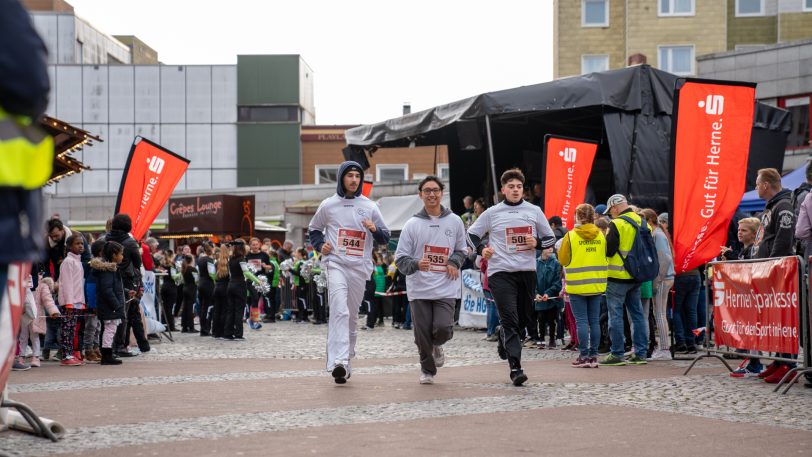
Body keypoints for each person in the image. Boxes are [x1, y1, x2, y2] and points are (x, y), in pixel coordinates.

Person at [467, 168, 556, 385]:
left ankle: (502, 335)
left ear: (522, 190)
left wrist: (536, 243)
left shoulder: (534, 210)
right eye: (511, 187)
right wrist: (481, 250)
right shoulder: (492, 212)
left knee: (525, 319)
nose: (515, 190)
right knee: (510, 319)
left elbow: (550, 238)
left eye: (518, 187)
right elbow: (470, 234)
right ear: (503, 189)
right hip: (500, 272)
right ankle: (516, 368)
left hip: (526, 272)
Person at [308, 160, 391, 384]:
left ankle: (347, 357)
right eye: (350, 175)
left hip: (359, 267)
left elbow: (385, 235)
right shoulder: (328, 205)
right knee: (339, 311)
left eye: (357, 176)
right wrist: (320, 245)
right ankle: (340, 362)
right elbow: (314, 229)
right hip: (335, 263)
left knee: (352, 315)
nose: (354, 180)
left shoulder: (370, 206)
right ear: (341, 178)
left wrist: (374, 229)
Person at [395, 176, 467, 384]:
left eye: (435, 190)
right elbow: (400, 258)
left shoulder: (454, 221)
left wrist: (453, 262)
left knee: (443, 328)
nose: (431, 194)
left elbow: (463, 250)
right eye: (427, 191)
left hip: (446, 287)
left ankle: (437, 345)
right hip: (419, 289)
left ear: (442, 193)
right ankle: (427, 371)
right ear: (420, 195)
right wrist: (417, 264)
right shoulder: (412, 224)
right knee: (421, 335)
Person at [750, 168, 798, 383]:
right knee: (774, 320)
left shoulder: (784, 205)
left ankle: (789, 364)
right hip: (770, 270)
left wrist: (773, 265)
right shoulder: (772, 206)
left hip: (779, 271)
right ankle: (779, 360)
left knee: (783, 319)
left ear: (766, 185)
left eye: (758, 183)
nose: (756, 187)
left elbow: (784, 238)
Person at [600, 194, 649, 366]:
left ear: (614, 207)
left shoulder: (617, 224)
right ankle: (641, 353)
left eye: (610, 211)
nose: (610, 214)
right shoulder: (642, 221)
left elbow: (609, 251)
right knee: (637, 315)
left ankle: (617, 353)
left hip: (617, 277)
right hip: (636, 276)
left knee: (616, 316)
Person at [557, 203, 607, 367]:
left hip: (577, 285)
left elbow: (563, 260)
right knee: (594, 321)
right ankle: (594, 357)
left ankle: (584, 356)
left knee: (581, 322)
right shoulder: (601, 235)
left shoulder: (570, 236)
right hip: (596, 284)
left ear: (577, 217)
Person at [103, 213, 149, 356]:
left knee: (117, 314)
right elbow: (137, 263)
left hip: (111, 278)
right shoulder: (130, 242)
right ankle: (121, 346)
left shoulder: (106, 239)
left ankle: (137, 345)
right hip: (128, 281)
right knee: (127, 314)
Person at [643, 209, 674, 361]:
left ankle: (664, 348)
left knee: (660, 313)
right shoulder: (657, 234)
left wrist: (658, 280)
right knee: (659, 313)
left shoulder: (658, 235)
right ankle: (663, 348)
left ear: (649, 220)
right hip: (663, 277)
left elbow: (665, 258)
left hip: (663, 278)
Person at [92, 241, 126, 365]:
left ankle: (107, 354)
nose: (122, 256)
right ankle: (107, 355)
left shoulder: (111, 270)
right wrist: (116, 304)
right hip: (110, 306)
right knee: (109, 329)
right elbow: (107, 289)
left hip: (109, 305)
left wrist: (126, 292)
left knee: (109, 329)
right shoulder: (108, 271)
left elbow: (113, 288)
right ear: (113, 255)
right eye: (121, 254)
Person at [57, 233, 86, 366]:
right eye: (77, 243)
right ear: (69, 246)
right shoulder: (68, 262)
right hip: (69, 302)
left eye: (82, 243)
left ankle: (71, 353)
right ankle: (66, 355)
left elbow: (78, 284)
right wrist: (69, 302)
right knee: (67, 329)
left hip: (76, 301)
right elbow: (67, 284)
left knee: (72, 329)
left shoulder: (77, 261)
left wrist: (81, 301)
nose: (81, 246)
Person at [532, 246, 563, 349]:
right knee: (540, 318)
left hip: (552, 297)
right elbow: (532, 281)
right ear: (542, 249)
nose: (551, 250)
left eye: (552, 248)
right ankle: (541, 339)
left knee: (551, 318)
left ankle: (552, 339)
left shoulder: (556, 263)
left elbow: (557, 282)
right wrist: (536, 293)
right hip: (539, 296)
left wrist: (548, 293)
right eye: (548, 248)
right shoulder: (536, 263)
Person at [211, 245, 231, 339]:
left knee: (216, 310)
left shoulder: (216, 263)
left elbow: (214, 276)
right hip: (225, 287)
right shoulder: (228, 263)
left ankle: (215, 332)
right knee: (224, 310)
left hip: (217, 287)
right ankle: (222, 332)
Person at [196, 242, 215, 336]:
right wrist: (217, 280)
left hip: (201, 283)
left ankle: (203, 329)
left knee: (203, 308)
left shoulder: (200, 259)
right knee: (208, 307)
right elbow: (212, 274)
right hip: (208, 285)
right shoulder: (209, 260)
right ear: (211, 249)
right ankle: (206, 329)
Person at [158, 250, 179, 332]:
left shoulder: (162, 265)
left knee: (164, 308)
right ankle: (171, 326)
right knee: (171, 308)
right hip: (171, 288)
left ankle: (164, 325)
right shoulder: (172, 265)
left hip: (164, 287)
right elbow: (174, 277)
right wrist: (180, 274)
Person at [180, 255, 198, 333]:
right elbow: (196, 280)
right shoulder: (193, 269)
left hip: (185, 288)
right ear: (191, 260)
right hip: (191, 289)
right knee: (191, 308)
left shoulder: (184, 269)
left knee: (185, 308)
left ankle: (184, 326)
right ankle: (191, 327)